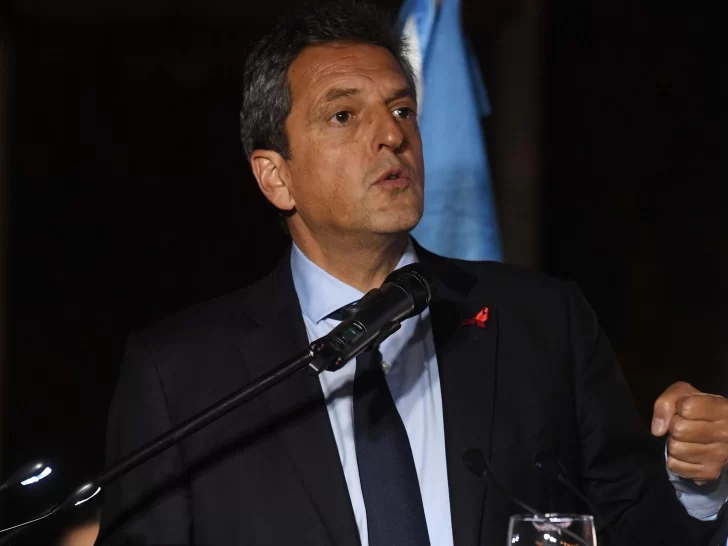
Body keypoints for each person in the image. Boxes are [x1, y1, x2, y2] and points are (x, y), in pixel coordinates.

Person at [97, 2, 728, 545]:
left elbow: (639, 529)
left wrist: (701, 485)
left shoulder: (542, 323)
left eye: (401, 110)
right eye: (344, 116)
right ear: (275, 176)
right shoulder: (182, 376)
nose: (391, 137)